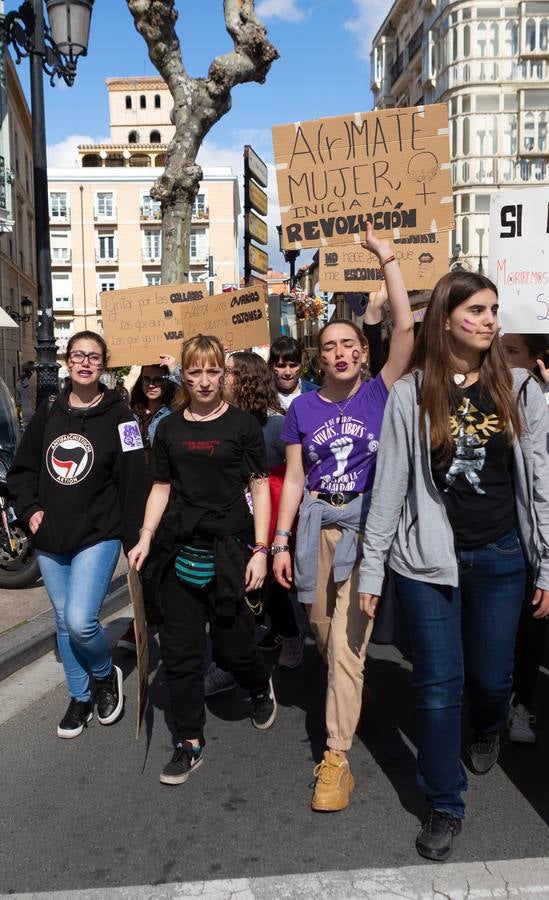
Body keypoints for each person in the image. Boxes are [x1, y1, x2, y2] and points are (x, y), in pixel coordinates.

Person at [358, 272, 549, 862]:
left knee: (492, 679)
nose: (491, 319)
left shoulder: (520, 389)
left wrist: (546, 563)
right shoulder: (411, 395)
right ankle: (444, 800)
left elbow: (542, 481)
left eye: (494, 309)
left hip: (501, 556)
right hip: (426, 560)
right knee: (438, 686)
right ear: (445, 320)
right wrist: (371, 570)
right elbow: (388, 484)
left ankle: (489, 723)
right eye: (477, 309)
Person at [273, 221, 414, 813]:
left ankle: (336, 757)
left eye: (348, 346)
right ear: (319, 356)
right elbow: (297, 479)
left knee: (347, 647)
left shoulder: (380, 392)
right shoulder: (302, 408)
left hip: (363, 531)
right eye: (329, 347)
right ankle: (347, 688)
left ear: (361, 353)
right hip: (312, 530)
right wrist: (278, 541)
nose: (339, 354)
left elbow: (405, 328)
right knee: (323, 634)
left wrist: (386, 258)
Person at [128, 334, 277, 787]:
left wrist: (261, 550)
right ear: (184, 376)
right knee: (180, 654)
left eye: (213, 371)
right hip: (179, 553)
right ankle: (189, 739)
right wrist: (146, 536)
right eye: (195, 372)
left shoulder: (242, 427)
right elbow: (160, 487)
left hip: (230, 551)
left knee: (233, 649)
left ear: (223, 375)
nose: (205, 381)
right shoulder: (168, 428)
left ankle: (257, 682)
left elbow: (258, 486)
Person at [7, 331, 148, 739]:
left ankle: (105, 675)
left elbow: (134, 480)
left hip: (97, 535)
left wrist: (136, 538)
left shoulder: (121, 416)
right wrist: (31, 512)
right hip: (51, 536)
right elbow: (23, 470)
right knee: (64, 622)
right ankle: (79, 695)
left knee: (81, 620)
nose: (85, 363)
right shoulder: (49, 410)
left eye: (94, 357)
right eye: (78, 356)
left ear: (104, 364)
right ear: (67, 361)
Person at [226, 351, 305, 672]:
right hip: (239, 518)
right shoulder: (228, 419)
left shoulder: (275, 426)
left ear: (245, 380)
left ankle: (290, 633)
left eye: (230, 372)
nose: (222, 378)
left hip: (269, 520)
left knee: (270, 584)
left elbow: (292, 476)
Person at [501, 333, 549, 742]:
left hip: (532, 532)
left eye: (513, 351)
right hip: (493, 536)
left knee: (531, 623)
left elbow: (540, 479)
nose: (503, 357)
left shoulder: (534, 399)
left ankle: (521, 705)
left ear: (535, 359)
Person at [117, 363, 178, 653]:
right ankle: (142, 619)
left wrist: (176, 370)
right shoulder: (131, 413)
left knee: (157, 565)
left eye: (159, 379)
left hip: (163, 494)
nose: (152, 384)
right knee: (137, 562)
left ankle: (152, 619)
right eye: (147, 379)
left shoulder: (173, 413)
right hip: (134, 495)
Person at [268, 336, 317, 411]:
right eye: (281, 366)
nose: (288, 372)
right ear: (272, 366)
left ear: (301, 366)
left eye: (293, 365)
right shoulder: (262, 397)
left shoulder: (316, 394)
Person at [15, 361, 36, 431]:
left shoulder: (18, 384)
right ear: (32, 371)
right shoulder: (34, 382)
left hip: (24, 415)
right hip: (35, 413)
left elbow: (18, 402)